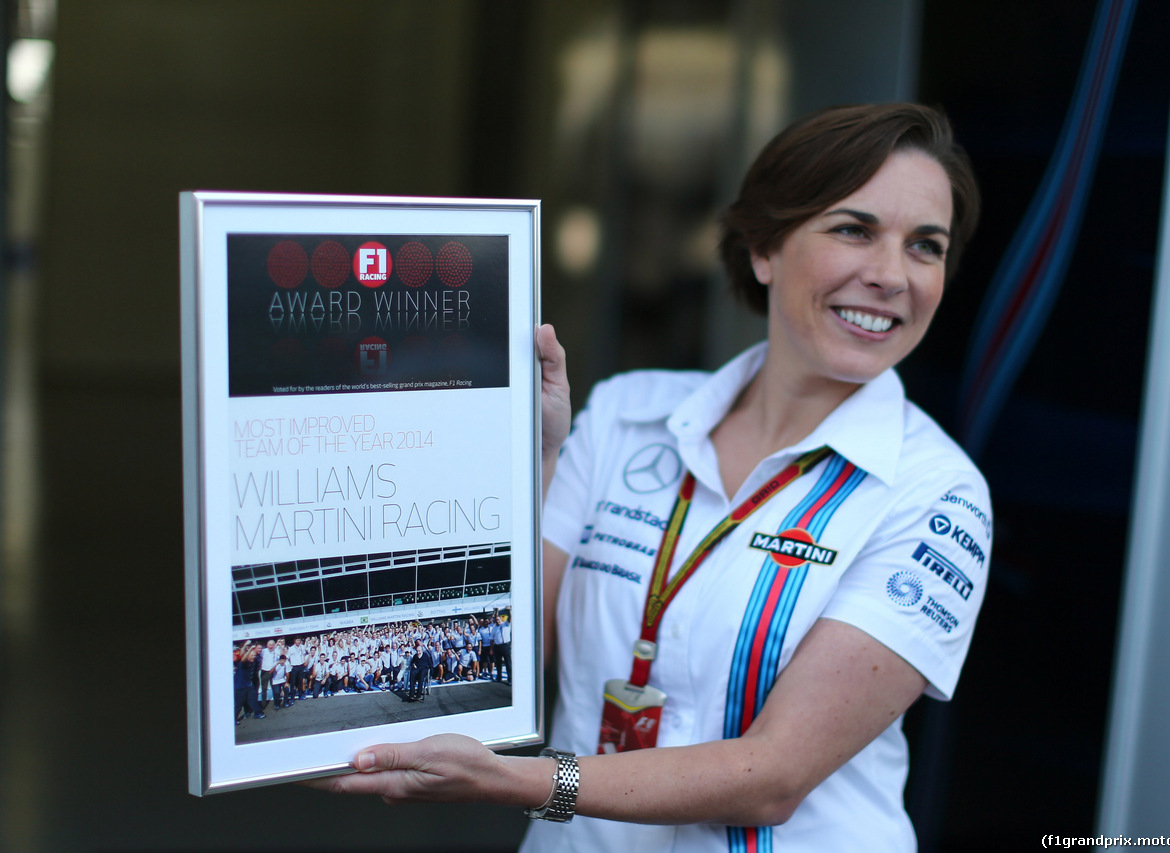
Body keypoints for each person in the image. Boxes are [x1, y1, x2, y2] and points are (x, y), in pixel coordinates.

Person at [310, 103, 991, 852]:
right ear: (765, 248)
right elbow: (494, 652)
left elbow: (774, 776)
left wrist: (523, 781)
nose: (892, 275)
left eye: (925, 246)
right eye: (854, 229)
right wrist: (526, 463)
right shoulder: (628, 413)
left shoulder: (937, 494)